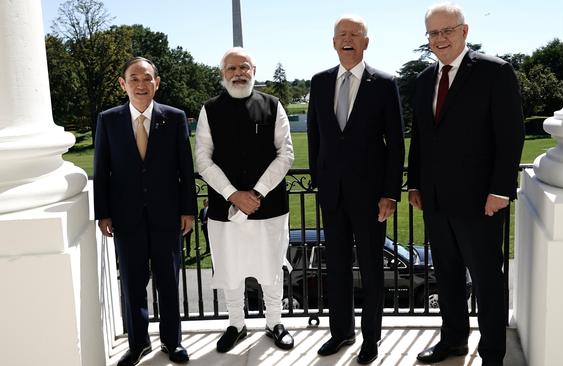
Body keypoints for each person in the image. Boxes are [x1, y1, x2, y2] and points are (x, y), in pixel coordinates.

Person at [407, 4, 525, 366]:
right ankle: (454, 341)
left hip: (480, 201)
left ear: (464, 31)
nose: (440, 39)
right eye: (433, 33)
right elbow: (422, 139)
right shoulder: (425, 79)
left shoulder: (495, 72)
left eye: (447, 31)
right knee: (447, 274)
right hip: (436, 200)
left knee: (487, 279)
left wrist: (500, 190)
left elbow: (510, 135)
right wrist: (414, 183)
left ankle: (492, 354)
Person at [307, 15, 405, 365]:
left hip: (371, 197)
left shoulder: (384, 83)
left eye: (355, 34)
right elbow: (317, 137)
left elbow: (396, 143)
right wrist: (319, 182)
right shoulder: (318, 83)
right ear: (333, 42)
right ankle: (341, 332)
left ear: (366, 42)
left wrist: (390, 193)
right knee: (335, 267)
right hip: (331, 194)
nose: (347, 39)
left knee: (372, 268)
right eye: (341, 35)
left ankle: (370, 340)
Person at [94, 57, 195, 366]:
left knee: (168, 282)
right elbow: (102, 169)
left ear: (157, 82)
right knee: (133, 285)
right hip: (126, 219)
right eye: (134, 78)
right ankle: (139, 344)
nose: (141, 84)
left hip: (167, 217)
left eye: (147, 78)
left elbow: (184, 168)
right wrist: (103, 213)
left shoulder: (174, 118)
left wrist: (187, 210)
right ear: (123, 84)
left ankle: (171, 342)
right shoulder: (108, 120)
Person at [195, 47, 295, 353]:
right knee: (230, 268)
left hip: (269, 206)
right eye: (231, 69)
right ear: (223, 74)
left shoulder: (272, 105)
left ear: (254, 70)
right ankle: (236, 324)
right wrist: (233, 194)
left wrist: (257, 192)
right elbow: (202, 158)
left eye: (244, 67)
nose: (239, 73)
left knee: (271, 267)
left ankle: (274, 322)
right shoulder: (209, 109)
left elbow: (286, 153)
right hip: (225, 208)